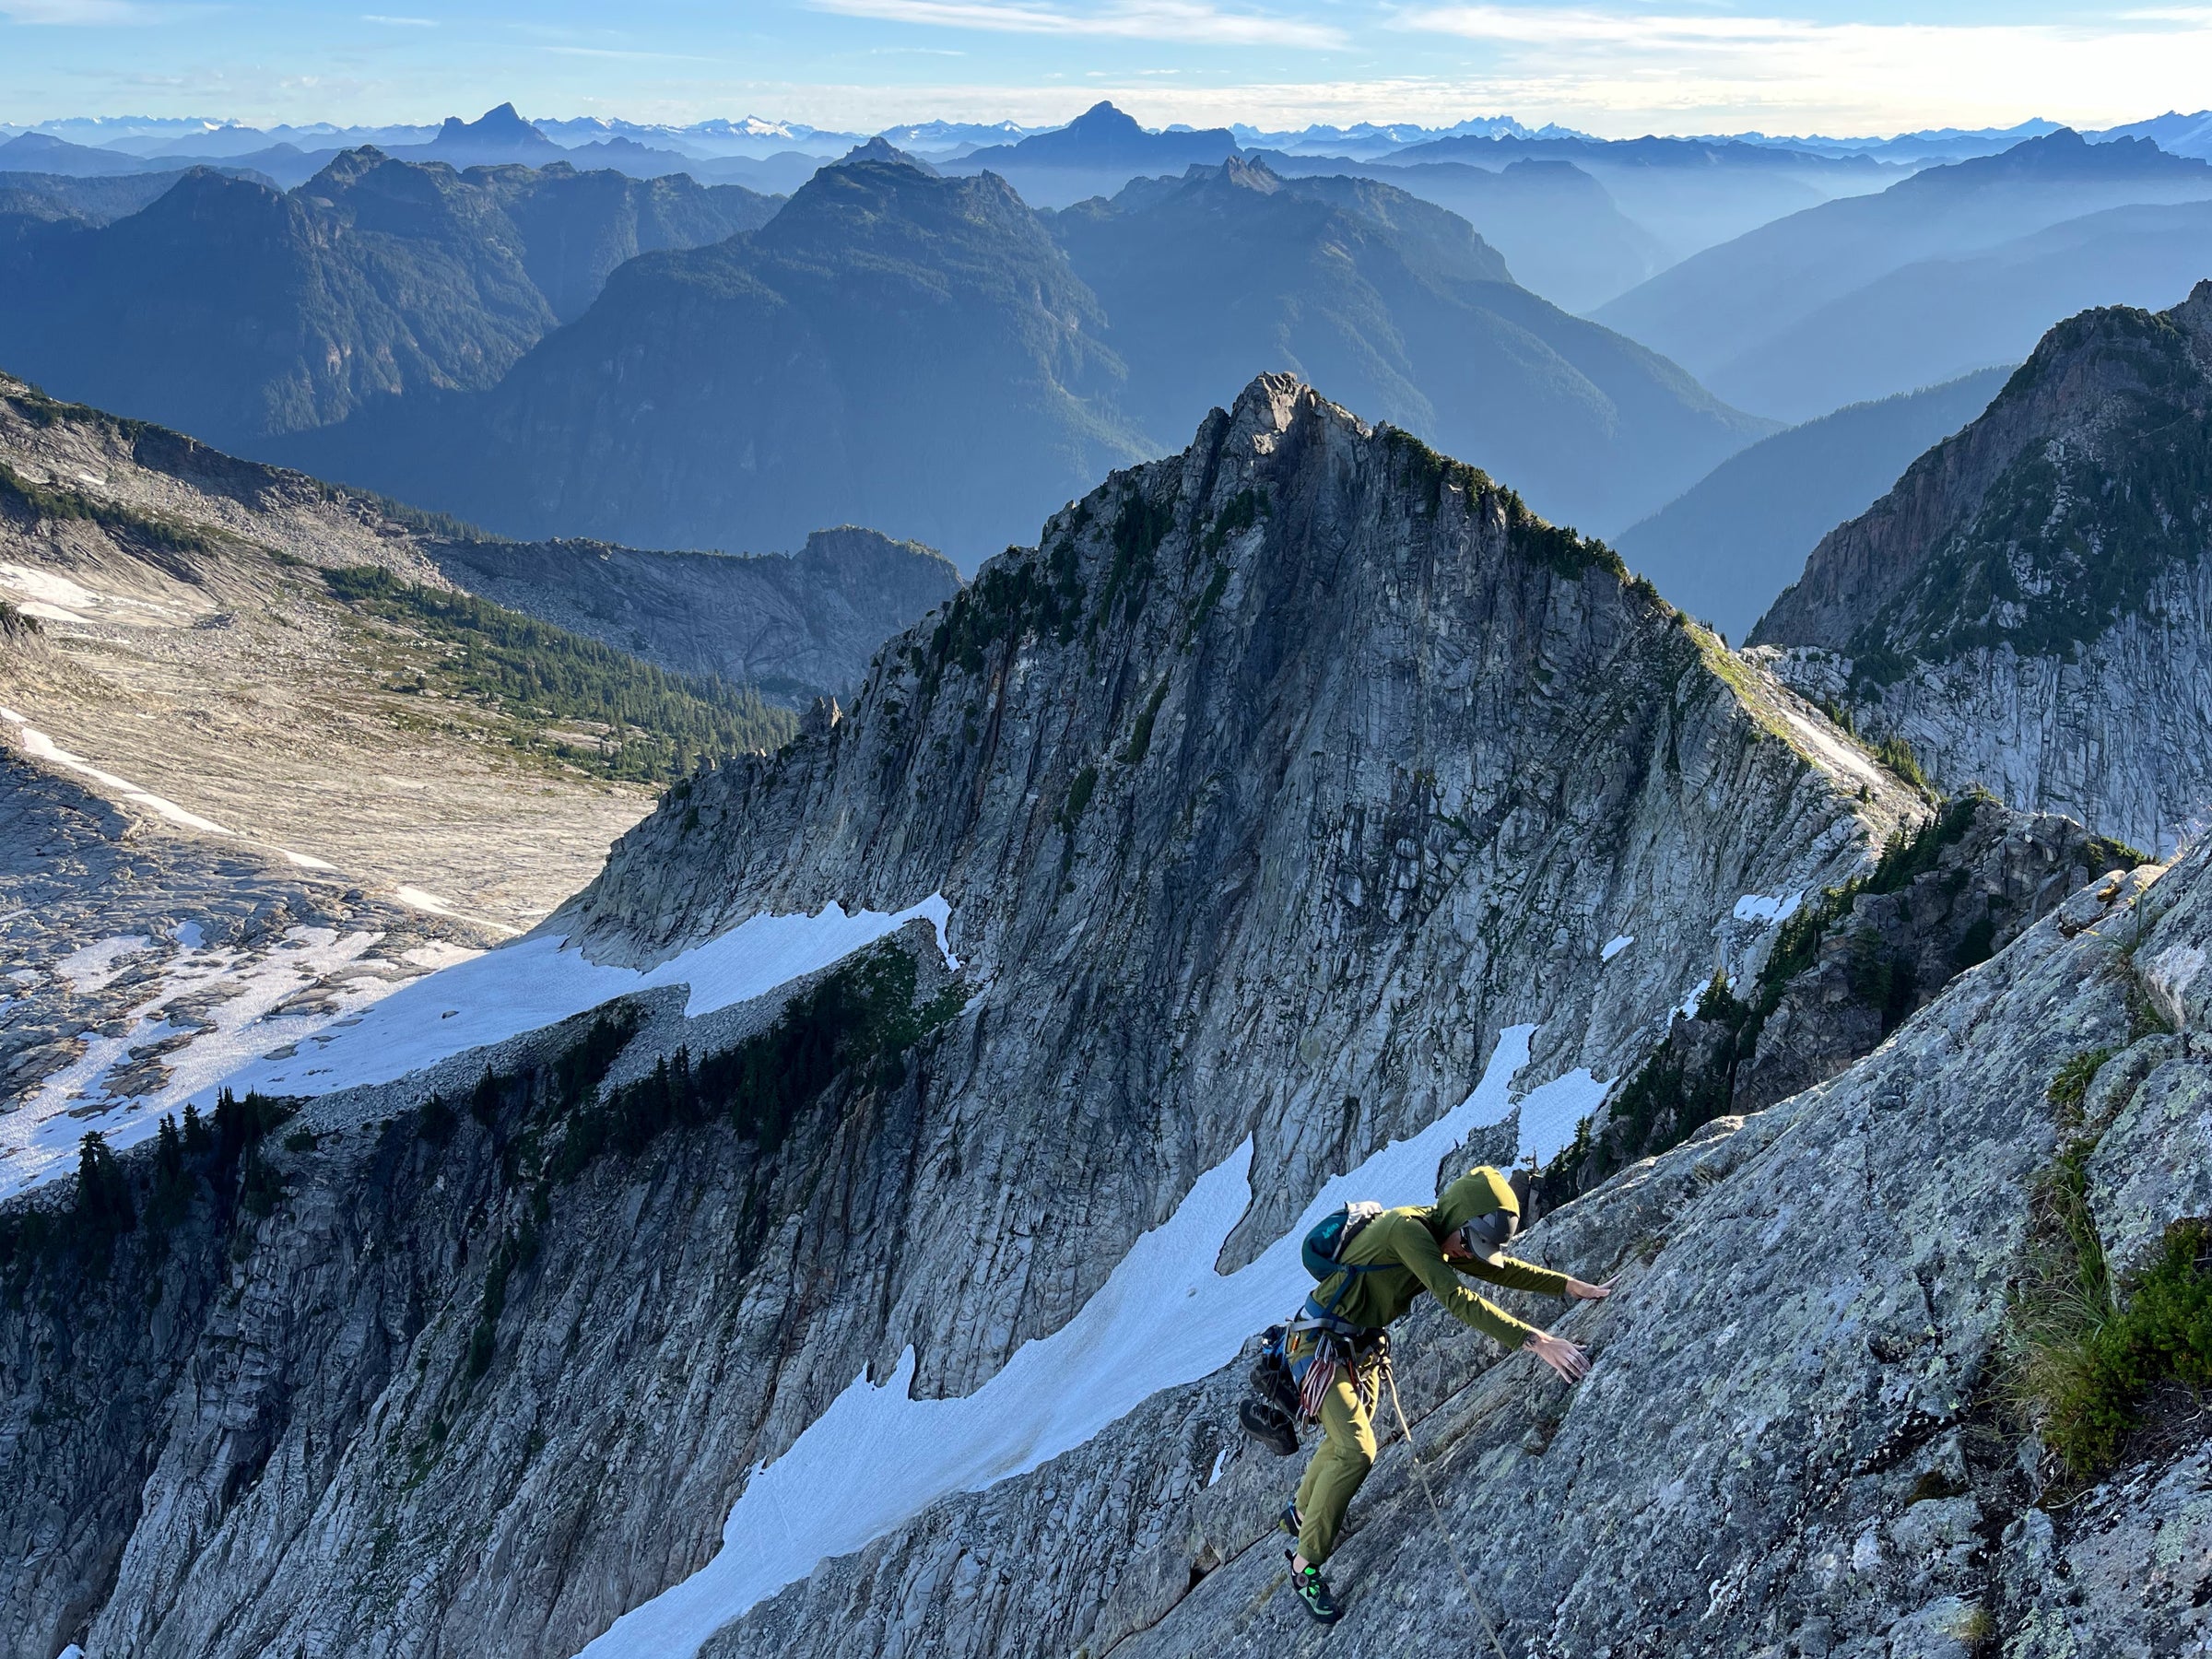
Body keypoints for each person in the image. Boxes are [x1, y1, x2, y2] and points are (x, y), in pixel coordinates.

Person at [1281, 1165, 1610, 1624]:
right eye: (1468, 1242)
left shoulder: (1445, 1234)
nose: (1466, 1253)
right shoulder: (1407, 1231)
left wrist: (1568, 1286)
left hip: (1355, 1346)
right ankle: (1304, 1566)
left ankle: (1299, 1511)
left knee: (1346, 1440)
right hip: (1319, 1346)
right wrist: (1538, 1342)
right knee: (1357, 1450)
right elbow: (1459, 1299)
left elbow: (1503, 1271)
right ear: (1460, 1219)